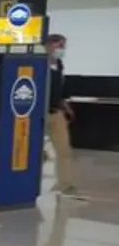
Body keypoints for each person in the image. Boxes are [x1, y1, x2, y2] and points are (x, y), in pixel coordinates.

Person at [46, 34, 83, 199]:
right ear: (49, 45)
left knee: (64, 151)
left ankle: (66, 185)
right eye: (60, 45)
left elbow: (60, 92)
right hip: (38, 114)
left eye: (64, 46)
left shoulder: (59, 65)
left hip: (56, 112)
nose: (62, 50)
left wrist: (67, 108)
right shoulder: (38, 64)